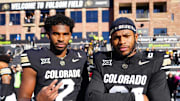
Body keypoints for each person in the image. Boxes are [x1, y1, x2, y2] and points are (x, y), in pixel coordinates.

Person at [85, 17, 170, 101]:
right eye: (117, 38)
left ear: (136, 37)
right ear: (111, 41)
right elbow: (92, 98)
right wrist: (136, 98)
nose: (122, 41)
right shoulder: (101, 61)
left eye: (126, 36)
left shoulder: (154, 62)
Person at [18, 14, 89, 101]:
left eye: (65, 34)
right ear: (48, 35)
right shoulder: (35, 57)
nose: (61, 39)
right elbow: (23, 98)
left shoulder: (81, 57)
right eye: (56, 34)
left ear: (70, 35)